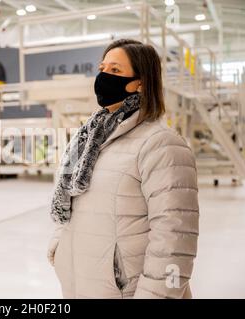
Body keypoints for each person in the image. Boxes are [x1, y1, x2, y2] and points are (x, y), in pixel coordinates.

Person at [47, 39, 199, 299]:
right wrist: (60, 245)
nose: (103, 76)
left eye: (115, 70)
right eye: (102, 67)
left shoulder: (161, 144)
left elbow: (175, 236)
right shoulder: (89, 137)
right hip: (82, 280)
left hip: (126, 290)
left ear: (140, 81)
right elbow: (72, 202)